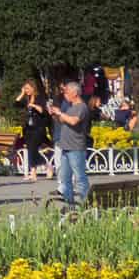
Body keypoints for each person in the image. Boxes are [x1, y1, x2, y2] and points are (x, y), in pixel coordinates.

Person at [47, 79, 94, 208]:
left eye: (67, 91)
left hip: (76, 148)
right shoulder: (71, 107)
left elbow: (73, 121)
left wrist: (60, 113)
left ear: (75, 93)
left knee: (80, 178)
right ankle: (70, 206)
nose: (65, 94)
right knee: (65, 178)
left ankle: (86, 204)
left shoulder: (81, 107)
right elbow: (63, 120)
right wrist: (54, 114)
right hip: (65, 147)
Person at [15, 79, 50, 179]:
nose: (26, 90)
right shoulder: (26, 98)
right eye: (25, 89)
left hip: (38, 128)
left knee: (33, 149)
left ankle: (47, 166)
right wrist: (22, 93)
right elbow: (16, 104)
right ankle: (33, 173)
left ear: (33, 88)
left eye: (27, 88)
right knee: (31, 149)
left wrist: (33, 105)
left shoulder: (40, 98)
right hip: (28, 128)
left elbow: (43, 111)